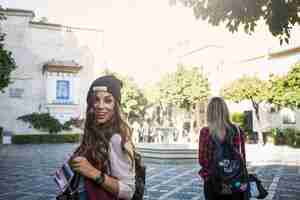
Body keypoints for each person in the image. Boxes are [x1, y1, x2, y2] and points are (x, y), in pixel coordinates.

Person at [70, 75, 135, 200]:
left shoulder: (116, 138)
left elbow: (128, 191)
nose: (100, 106)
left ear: (116, 104)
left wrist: (91, 172)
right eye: (96, 100)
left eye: (108, 100)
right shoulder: (95, 130)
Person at [198, 97, 249, 200]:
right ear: (225, 111)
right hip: (236, 182)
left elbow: (203, 160)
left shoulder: (206, 132)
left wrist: (208, 177)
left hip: (213, 182)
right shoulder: (238, 130)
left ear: (209, 112)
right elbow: (242, 157)